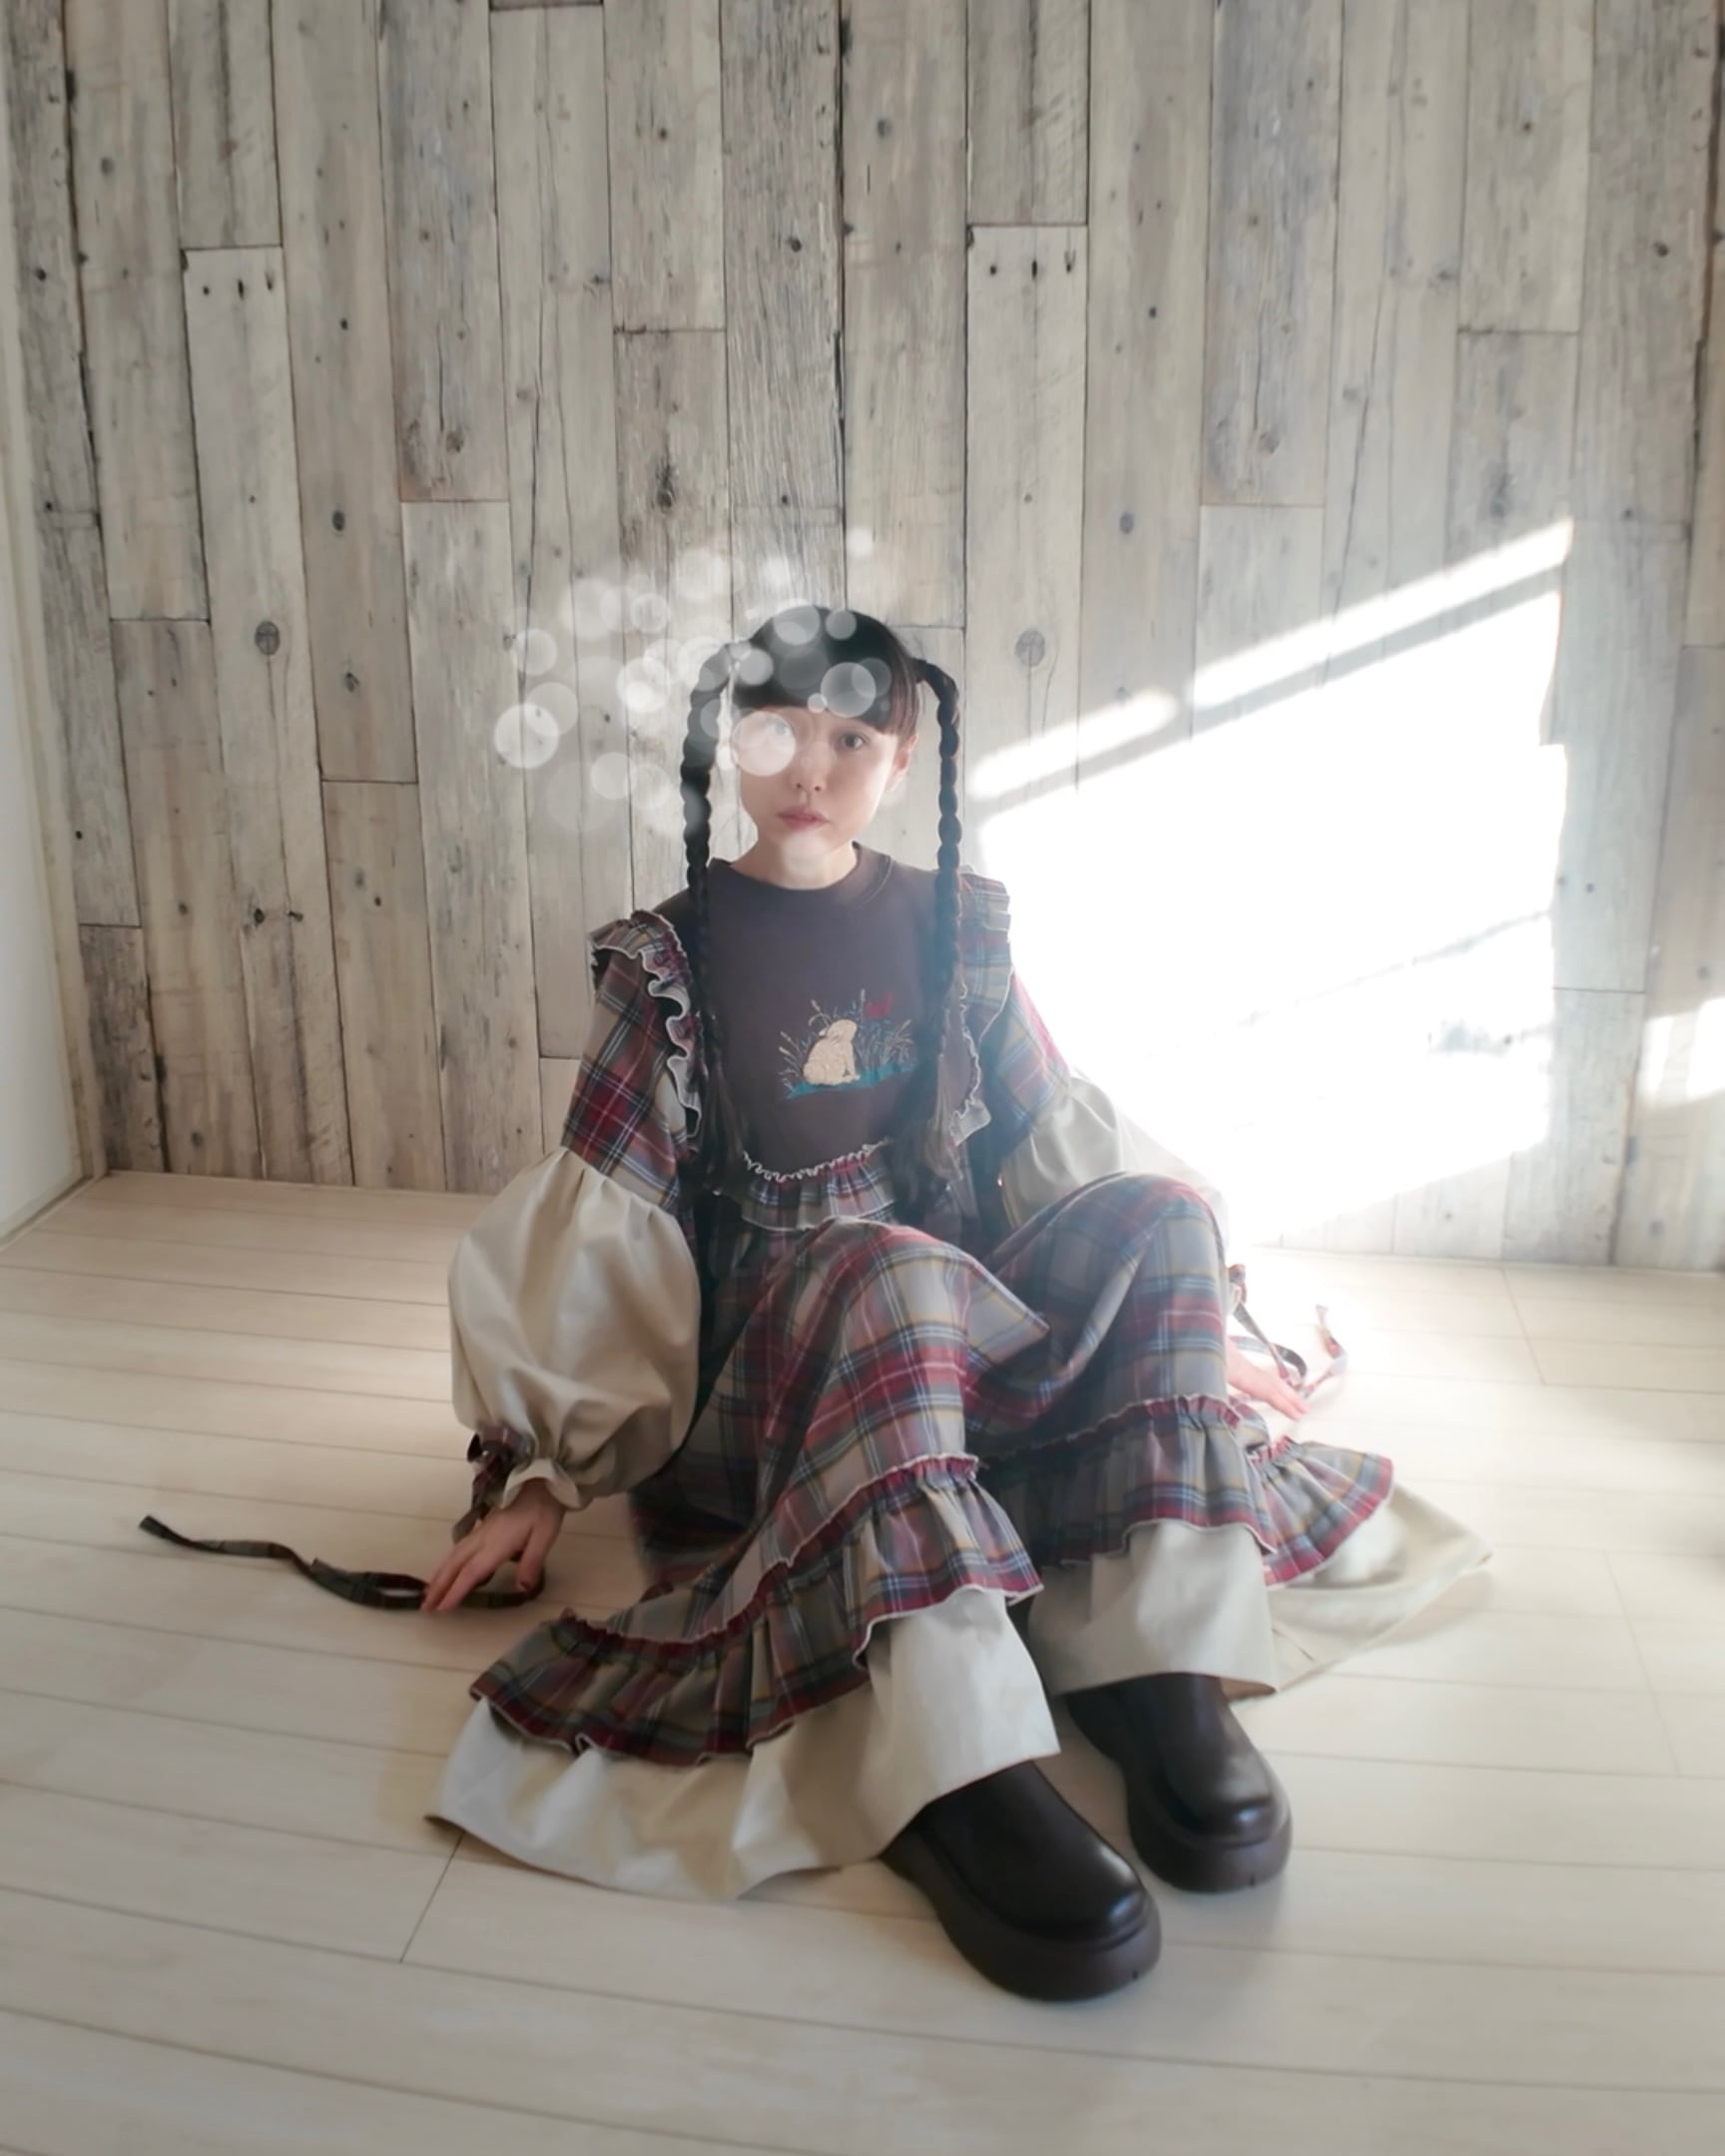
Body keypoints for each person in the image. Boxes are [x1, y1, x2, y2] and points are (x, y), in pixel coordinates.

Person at [421, 604, 1491, 2002]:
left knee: (1156, 1216)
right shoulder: (665, 967)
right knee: (889, 1262)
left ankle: (1151, 1662)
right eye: (777, 733)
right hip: (788, 1400)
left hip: (954, 1372)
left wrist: (1192, 1330)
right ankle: (945, 1742)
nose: (812, 770)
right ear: (727, 744)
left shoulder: (954, 926)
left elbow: (1054, 1140)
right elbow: (608, 1222)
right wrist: (541, 1472)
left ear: (902, 755)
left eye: (851, 742)